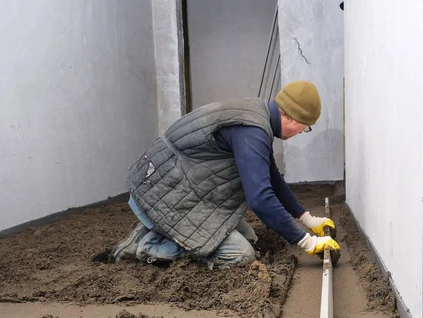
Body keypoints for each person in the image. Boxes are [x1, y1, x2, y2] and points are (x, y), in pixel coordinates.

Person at [110, 80, 340, 268]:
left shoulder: (257, 117)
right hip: (166, 194)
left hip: (177, 187)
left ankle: (159, 234)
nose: (301, 133)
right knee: (240, 256)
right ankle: (148, 245)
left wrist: (307, 219)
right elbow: (260, 199)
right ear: (291, 117)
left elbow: (272, 177)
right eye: (305, 127)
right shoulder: (252, 132)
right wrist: (307, 242)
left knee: (249, 238)